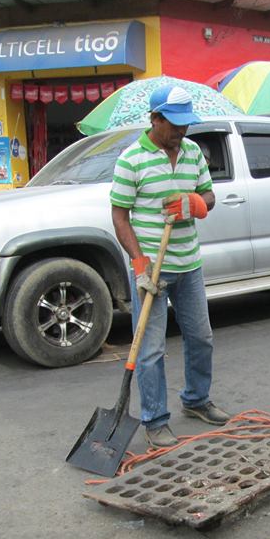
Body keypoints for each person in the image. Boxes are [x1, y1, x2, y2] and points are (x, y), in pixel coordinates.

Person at [110, 85, 231, 448]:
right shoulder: (132, 159)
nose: (182, 131)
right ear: (155, 119)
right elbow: (119, 215)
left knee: (201, 337)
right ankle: (155, 419)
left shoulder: (193, 152)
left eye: (186, 124)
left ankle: (196, 399)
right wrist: (139, 263)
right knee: (150, 349)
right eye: (175, 124)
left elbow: (209, 195)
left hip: (188, 262)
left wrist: (195, 202)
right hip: (152, 268)